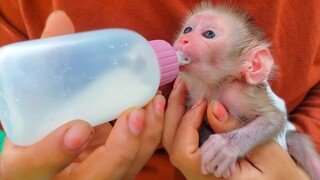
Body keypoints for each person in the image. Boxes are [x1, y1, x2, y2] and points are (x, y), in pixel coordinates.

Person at [0, 0, 319, 179]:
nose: (184, 39)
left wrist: (238, 145)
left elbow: (274, 121)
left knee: (301, 144)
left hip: (284, 158)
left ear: (252, 66)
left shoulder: (243, 91)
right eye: (188, 30)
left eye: (208, 34)